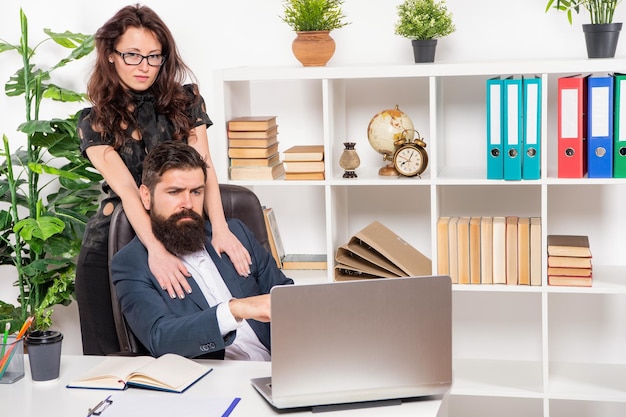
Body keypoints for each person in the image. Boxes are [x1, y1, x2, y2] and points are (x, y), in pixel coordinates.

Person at [75, 4, 251, 355]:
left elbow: (205, 167)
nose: (145, 67)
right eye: (133, 55)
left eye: (154, 56)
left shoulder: (186, 101)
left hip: (181, 234)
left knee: (179, 351)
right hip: (115, 242)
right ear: (110, 55)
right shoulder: (93, 120)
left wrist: (220, 227)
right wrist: (155, 250)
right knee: (110, 364)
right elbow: (127, 190)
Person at [111, 141, 293, 360]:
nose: (187, 203)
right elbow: (160, 338)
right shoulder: (132, 263)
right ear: (147, 196)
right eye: (174, 192)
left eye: (196, 192)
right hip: (217, 381)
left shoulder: (235, 234)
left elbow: (286, 296)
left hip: (282, 364)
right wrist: (234, 310)